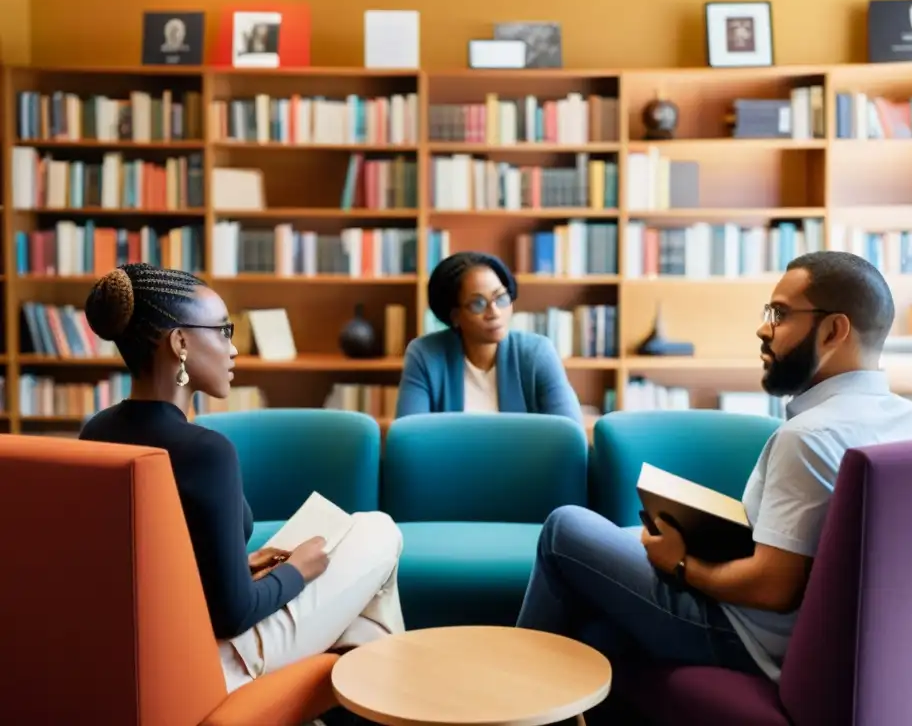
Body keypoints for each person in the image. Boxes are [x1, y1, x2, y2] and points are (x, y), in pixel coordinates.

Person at [515, 251, 912, 683]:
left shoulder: (808, 437)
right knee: (602, 616)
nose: (763, 329)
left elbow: (774, 588)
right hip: (853, 645)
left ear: (834, 330)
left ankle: (512, 693)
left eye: (779, 314)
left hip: (747, 637)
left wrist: (682, 565)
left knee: (563, 530)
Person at [78, 264, 405, 693]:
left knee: (363, 630)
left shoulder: (96, 431)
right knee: (378, 529)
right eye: (223, 331)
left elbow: (146, 564)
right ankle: (392, 702)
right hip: (213, 661)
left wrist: (240, 566)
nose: (233, 350)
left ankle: (365, 708)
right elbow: (233, 614)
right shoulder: (206, 452)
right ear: (180, 342)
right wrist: (299, 571)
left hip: (143, 654)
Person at [395, 251, 583, 424]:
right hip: (449, 462)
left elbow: (572, 435)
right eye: (478, 304)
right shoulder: (425, 355)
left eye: (500, 298)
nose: (494, 312)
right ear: (455, 316)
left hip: (527, 462)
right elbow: (409, 441)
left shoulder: (537, 352)